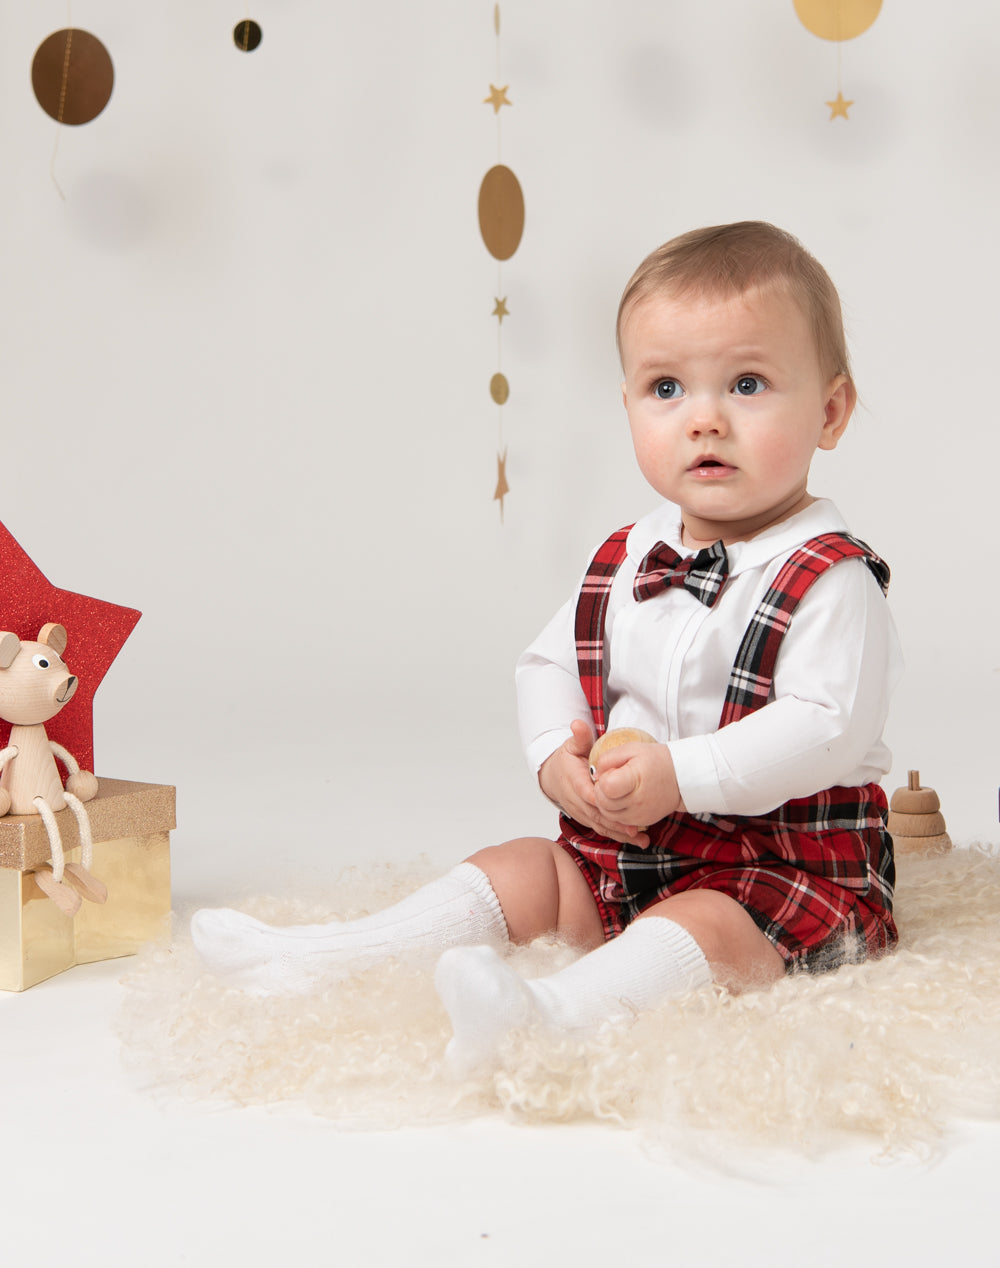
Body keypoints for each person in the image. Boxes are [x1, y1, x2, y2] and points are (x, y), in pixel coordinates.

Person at [191, 221, 902, 1078]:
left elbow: (824, 726)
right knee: (525, 870)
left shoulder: (831, 578)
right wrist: (552, 759)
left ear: (830, 411)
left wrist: (682, 775)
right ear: (628, 405)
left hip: (782, 874)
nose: (705, 419)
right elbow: (550, 663)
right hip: (628, 847)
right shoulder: (630, 555)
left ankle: (547, 1020)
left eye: (747, 384)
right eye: (666, 388)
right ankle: (326, 958)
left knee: (701, 926)